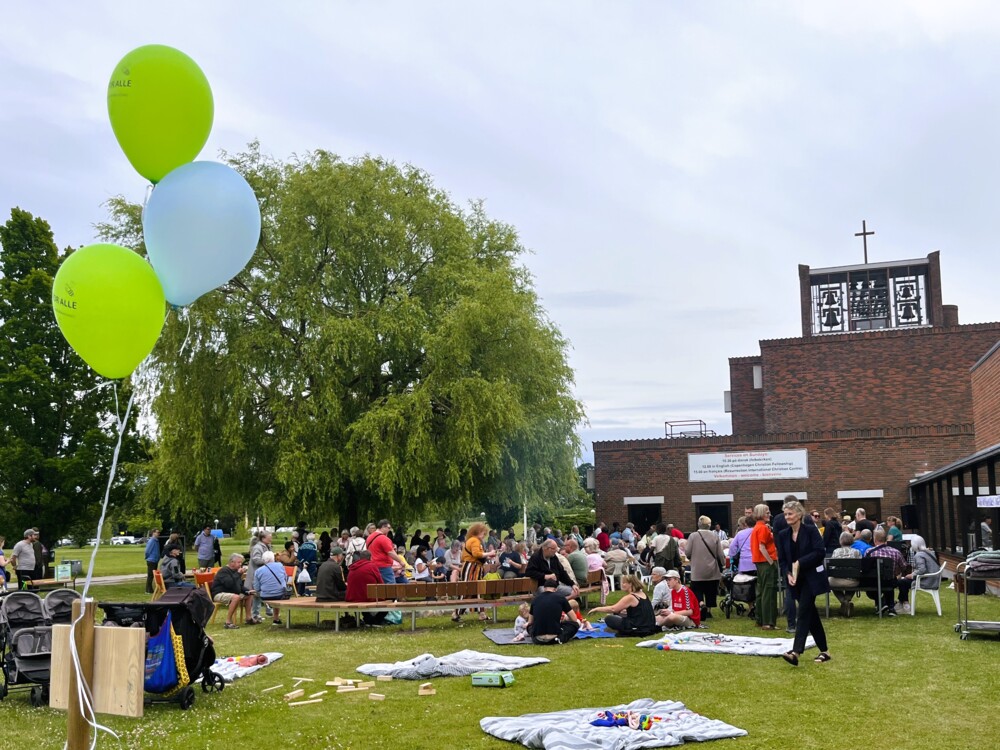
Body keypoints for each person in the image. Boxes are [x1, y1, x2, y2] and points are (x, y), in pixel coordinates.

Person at [776, 499, 831, 666]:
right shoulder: (783, 534)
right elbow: (783, 559)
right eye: (785, 514)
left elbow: (819, 552)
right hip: (795, 581)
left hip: (812, 579)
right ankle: (825, 651)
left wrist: (800, 562)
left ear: (799, 514)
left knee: (804, 611)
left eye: (790, 514)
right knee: (811, 615)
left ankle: (796, 651)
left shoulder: (810, 531)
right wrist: (788, 574)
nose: (787, 517)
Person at [589, 574, 657, 637]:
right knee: (619, 614)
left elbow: (613, 609)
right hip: (649, 625)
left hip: (638, 627)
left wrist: (597, 609)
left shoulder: (630, 597)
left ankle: (619, 630)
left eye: (624, 583)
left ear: (630, 584)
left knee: (609, 618)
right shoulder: (643, 594)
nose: (622, 584)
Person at [455, 521, 497, 622]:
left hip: (474, 567)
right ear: (478, 532)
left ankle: (481, 613)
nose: (484, 536)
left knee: (477, 590)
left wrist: (487, 554)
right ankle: (456, 613)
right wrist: (489, 553)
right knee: (468, 590)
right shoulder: (474, 541)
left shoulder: (471, 540)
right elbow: (476, 554)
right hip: (471, 568)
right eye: (483, 533)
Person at [865, 528, 911, 615]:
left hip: (873, 582)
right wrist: (897, 573)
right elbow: (904, 566)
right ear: (886, 539)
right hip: (890, 581)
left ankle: (882, 604)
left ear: (874, 540)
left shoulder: (869, 552)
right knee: (889, 581)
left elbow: (866, 568)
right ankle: (890, 607)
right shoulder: (895, 552)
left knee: (876, 584)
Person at [686, 516, 725, 619]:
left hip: (697, 569)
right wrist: (723, 563)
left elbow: (688, 552)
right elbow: (720, 553)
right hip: (712, 569)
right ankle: (708, 610)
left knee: (697, 588)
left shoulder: (693, 536)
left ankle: (701, 603)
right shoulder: (715, 536)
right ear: (709, 525)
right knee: (711, 589)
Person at [750, 504, 778, 630]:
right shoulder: (763, 528)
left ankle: (760, 619)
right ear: (761, 513)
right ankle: (768, 622)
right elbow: (762, 547)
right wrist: (771, 561)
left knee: (761, 592)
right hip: (766, 563)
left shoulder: (757, 527)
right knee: (769, 592)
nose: (769, 514)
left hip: (759, 563)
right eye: (767, 512)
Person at [528, 578, 580, 644]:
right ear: (556, 589)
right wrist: (564, 620)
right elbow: (574, 619)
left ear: (544, 588)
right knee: (576, 623)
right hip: (555, 637)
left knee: (529, 626)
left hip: (538, 639)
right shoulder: (561, 598)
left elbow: (530, 622)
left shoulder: (535, 599)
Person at [345, 550, 387, 626]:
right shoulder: (372, 566)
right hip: (368, 597)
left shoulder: (353, 567)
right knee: (391, 598)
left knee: (363, 597)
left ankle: (368, 619)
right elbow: (381, 583)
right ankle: (376, 620)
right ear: (370, 558)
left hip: (353, 597)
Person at [211, 553, 254, 628]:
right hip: (219, 594)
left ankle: (248, 618)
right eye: (239, 562)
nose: (240, 564)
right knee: (236, 597)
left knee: (249, 595)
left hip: (232, 593)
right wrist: (238, 574)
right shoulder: (224, 571)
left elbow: (239, 586)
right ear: (232, 562)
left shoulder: (235, 571)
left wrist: (247, 591)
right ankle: (228, 622)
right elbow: (229, 584)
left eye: (241, 562)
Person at [829, 531, 862, 617]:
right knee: (855, 577)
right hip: (853, 582)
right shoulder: (857, 552)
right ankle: (847, 600)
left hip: (837, 581)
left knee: (829, 581)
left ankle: (843, 601)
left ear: (840, 541)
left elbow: (832, 568)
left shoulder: (836, 551)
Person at [253, 550, 289, 625]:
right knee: (277, 592)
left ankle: (256, 614)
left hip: (265, 596)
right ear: (273, 558)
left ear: (263, 560)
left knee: (259, 593)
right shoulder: (280, 565)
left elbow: (256, 588)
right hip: (280, 594)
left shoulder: (258, 571)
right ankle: (276, 619)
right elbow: (286, 578)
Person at [367, 520, 408, 585]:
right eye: (388, 528)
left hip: (372, 565)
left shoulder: (370, 537)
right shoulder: (383, 538)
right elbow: (391, 552)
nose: (389, 530)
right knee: (391, 588)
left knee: (379, 587)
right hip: (384, 566)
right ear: (383, 527)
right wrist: (401, 561)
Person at [247, 531, 273, 623]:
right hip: (256, 573)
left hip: (263, 573)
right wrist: (267, 561)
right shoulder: (258, 547)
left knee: (258, 594)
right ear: (263, 538)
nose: (271, 538)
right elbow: (255, 559)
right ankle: (256, 614)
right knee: (257, 594)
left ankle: (257, 613)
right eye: (269, 537)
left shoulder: (267, 546)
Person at [144, 529, 161, 594]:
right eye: (157, 532)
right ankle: (147, 590)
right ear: (153, 533)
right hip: (151, 560)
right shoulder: (152, 541)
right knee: (150, 575)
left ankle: (150, 589)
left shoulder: (156, 541)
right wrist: (147, 557)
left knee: (153, 575)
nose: (158, 534)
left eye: (159, 532)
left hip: (155, 560)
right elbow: (147, 551)